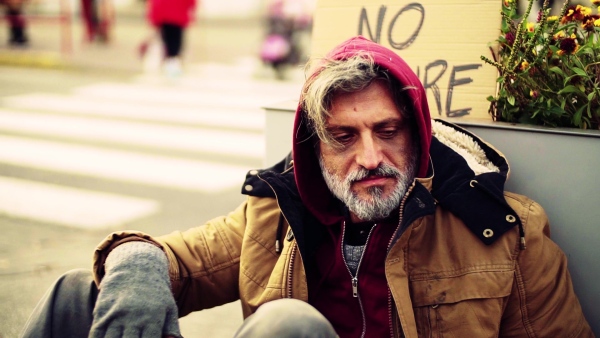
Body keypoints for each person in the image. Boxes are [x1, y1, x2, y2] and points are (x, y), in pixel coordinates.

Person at [21, 36, 594, 337]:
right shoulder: (279, 215)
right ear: (314, 149)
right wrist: (138, 266)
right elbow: (178, 261)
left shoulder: (501, 230)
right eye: (344, 137)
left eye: (387, 130)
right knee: (81, 291)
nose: (370, 157)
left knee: (287, 325)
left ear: (417, 135)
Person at [144, 0, 196, 77]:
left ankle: (170, 64)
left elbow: (156, 5)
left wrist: (154, 20)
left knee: (169, 46)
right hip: (176, 19)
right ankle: (172, 64)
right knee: (174, 46)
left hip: (167, 20)